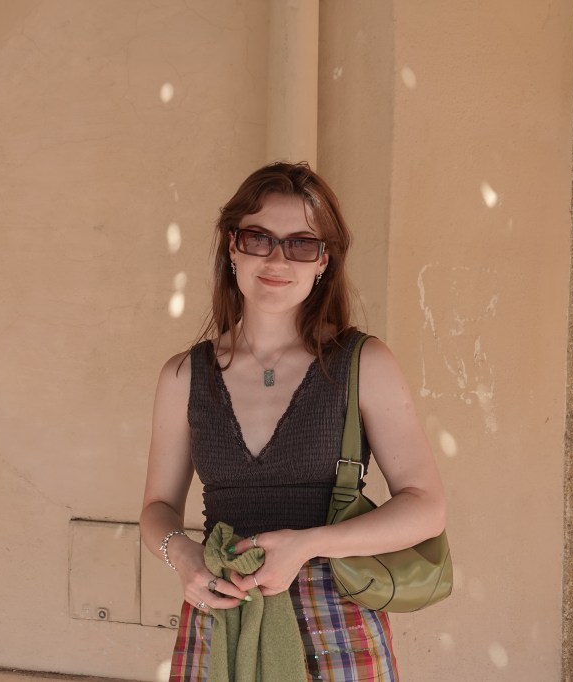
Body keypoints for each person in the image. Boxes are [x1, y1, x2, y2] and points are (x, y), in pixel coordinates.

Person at [140, 162, 446, 681]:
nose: (278, 259)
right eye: (259, 239)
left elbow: (426, 508)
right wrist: (185, 558)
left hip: (337, 619)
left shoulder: (363, 364)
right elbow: (156, 509)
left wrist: (308, 545)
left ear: (323, 260)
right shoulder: (183, 376)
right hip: (223, 613)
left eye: (301, 244)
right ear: (232, 246)